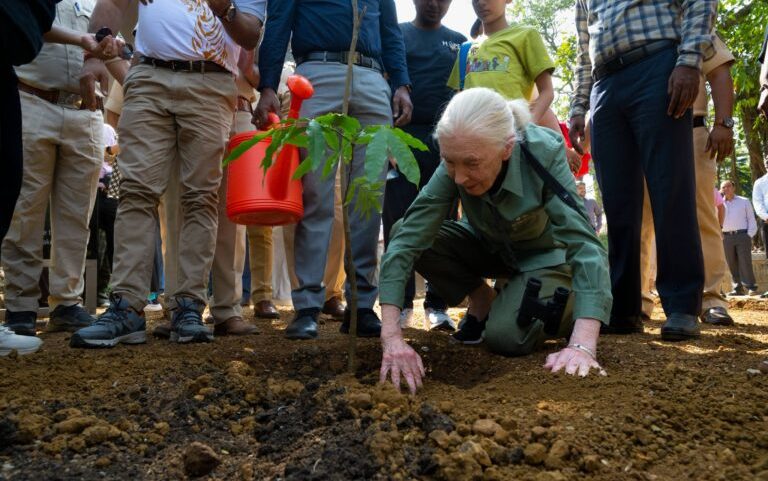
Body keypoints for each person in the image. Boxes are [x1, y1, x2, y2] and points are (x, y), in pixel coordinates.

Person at [379, 88, 612, 394]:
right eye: (450, 162)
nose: (459, 177)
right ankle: (483, 299)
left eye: (471, 164)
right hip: (491, 248)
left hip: (545, 257)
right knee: (402, 230)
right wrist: (392, 337)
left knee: (506, 337)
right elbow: (408, 239)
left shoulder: (542, 152)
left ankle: (576, 303)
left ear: (506, 148)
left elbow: (584, 243)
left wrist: (583, 343)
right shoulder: (459, 156)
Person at [70, 0, 265, 348]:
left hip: (212, 82)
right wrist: (96, 54)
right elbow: (113, 3)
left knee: (200, 197)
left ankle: (188, 306)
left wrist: (226, 9)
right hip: (147, 76)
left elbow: (250, 35)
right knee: (136, 191)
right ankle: (127, 307)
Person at [254, 0, 413, 340]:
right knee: (314, 192)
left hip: (372, 77)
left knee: (368, 196)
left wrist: (401, 83)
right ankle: (308, 304)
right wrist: (268, 84)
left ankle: (361, 305)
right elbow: (279, 22)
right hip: (316, 76)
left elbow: (391, 30)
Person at [569, 0, 716, 341]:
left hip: (657, 66)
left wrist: (690, 61)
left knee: (670, 188)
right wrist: (579, 104)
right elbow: (582, 49)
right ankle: (623, 307)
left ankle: (681, 305)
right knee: (617, 201)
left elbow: (700, 3)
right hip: (604, 85)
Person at [2, 0, 121, 339]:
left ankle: (67, 302)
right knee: (25, 210)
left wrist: (110, 49)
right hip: (32, 100)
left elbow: (109, 51)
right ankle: (20, 304)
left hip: (86, 112)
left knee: (77, 215)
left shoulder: (103, 4)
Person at [639, 33, 736, 326]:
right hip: (640, 135)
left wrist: (723, 123)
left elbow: (719, 72)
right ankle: (637, 299)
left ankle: (711, 298)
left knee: (702, 215)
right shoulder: (629, 24)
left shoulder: (691, 21)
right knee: (639, 219)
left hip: (691, 132)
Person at [382, 0, 466, 331]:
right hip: (402, 140)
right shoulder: (397, 35)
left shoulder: (459, 41)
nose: (434, 4)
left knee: (443, 223)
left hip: (445, 144)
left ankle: (437, 305)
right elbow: (385, 83)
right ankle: (399, 304)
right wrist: (387, 140)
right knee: (397, 221)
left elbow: (463, 94)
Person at [207, 47, 263, 336]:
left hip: (241, 110)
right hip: (194, 101)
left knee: (233, 214)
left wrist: (249, 62)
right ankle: (179, 305)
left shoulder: (252, 14)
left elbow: (262, 78)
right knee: (184, 204)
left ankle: (227, 307)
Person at [446, 0, 557, 131]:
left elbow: (547, 91)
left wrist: (527, 126)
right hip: (473, 135)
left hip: (511, 135)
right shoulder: (465, 50)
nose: (481, 2)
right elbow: (458, 98)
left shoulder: (526, 35)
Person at [720, 180, 758, 297]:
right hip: (726, 237)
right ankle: (737, 288)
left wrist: (749, 235)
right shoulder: (719, 204)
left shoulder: (744, 201)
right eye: (723, 187)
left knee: (745, 262)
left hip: (742, 235)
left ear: (733, 187)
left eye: (728, 186)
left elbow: (751, 219)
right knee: (731, 264)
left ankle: (751, 287)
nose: (726, 189)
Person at [753, 156, 768, 268]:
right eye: (766, 160)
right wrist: (766, 217)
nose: (767, 161)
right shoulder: (759, 182)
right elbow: (757, 203)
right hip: (766, 222)